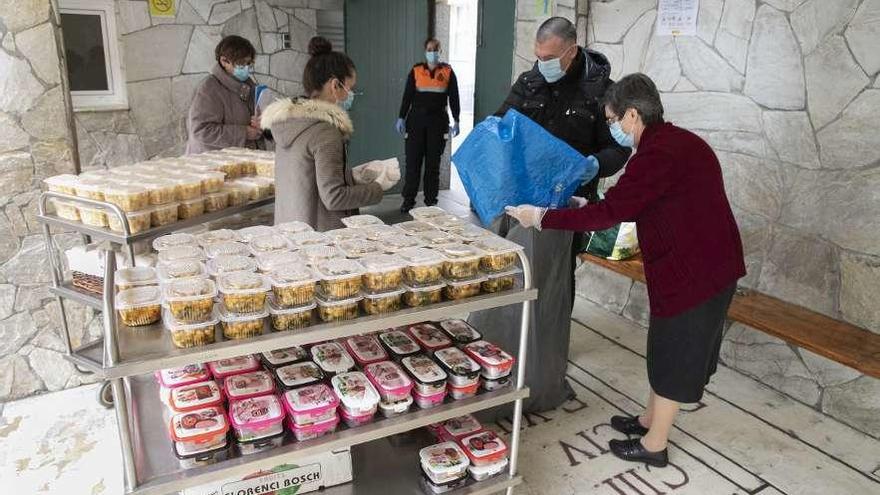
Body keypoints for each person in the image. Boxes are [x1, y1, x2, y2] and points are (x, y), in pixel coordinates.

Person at [506, 73, 746, 467]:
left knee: (673, 356)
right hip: (701, 265)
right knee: (663, 346)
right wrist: (586, 206)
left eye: (614, 120)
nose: (613, 128)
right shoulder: (677, 142)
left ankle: (655, 445)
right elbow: (631, 200)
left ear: (633, 115)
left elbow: (614, 212)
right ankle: (648, 419)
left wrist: (544, 218)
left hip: (697, 273)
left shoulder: (658, 154)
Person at [467, 17, 628, 413]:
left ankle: (551, 351)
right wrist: (491, 130)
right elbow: (503, 120)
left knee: (557, 280)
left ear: (571, 52)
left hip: (570, 205)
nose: (543, 64)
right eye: (538, 57)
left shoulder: (601, 91)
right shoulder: (530, 81)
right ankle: (512, 343)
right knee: (517, 271)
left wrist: (596, 163)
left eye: (551, 57)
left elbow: (619, 148)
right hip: (524, 202)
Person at [261, 36, 394, 231]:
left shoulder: (288, 122)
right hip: (321, 238)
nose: (351, 95)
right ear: (335, 85)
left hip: (291, 228)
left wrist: (352, 176)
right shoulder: (325, 132)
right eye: (350, 88)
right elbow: (334, 197)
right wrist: (377, 187)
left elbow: (308, 177)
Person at [396, 38, 461, 213]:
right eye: (429, 49)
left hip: (438, 122)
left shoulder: (447, 71)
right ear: (425, 51)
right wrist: (401, 117)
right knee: (413, 163)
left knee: (433, 164)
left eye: (436, 49)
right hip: (415, 121)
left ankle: (431, 201)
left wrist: (457, 119)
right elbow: (407, 95)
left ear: (440, 52)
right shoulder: (417, 70)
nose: (432, 52)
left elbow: (454, 97)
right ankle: (408, 201)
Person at [186, 35, 264, 154]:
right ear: (224, 61)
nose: (247, 68)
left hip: (242, 157)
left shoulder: (249, 85)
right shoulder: (209, 88)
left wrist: (262, 123)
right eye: (241, 64)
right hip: (211, 162)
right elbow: (200, 131)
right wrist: (244, 133)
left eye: (249, 63)